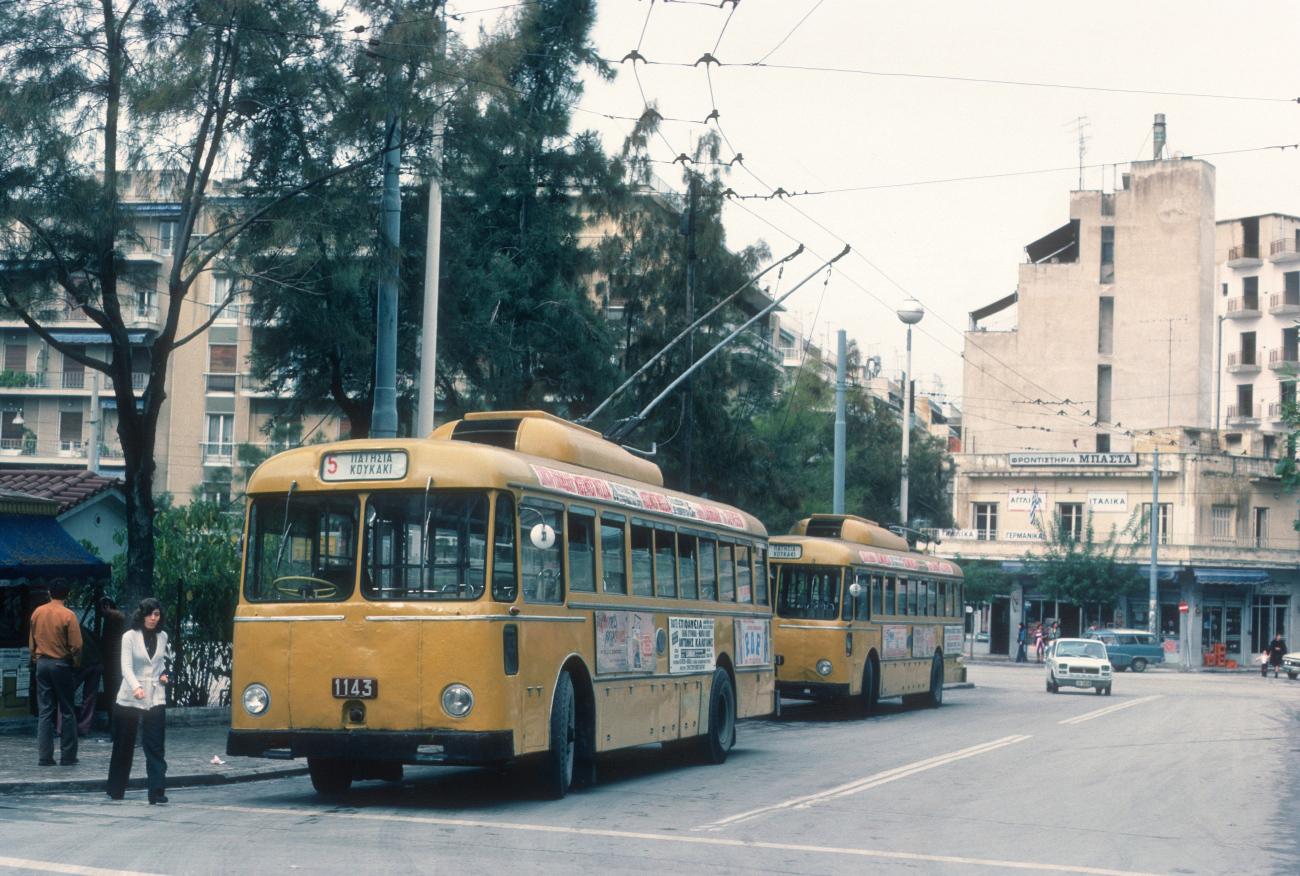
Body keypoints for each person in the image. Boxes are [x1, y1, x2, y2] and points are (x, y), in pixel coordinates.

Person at [106, 598, 170, 804]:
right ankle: (116, 790)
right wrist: (137, 687)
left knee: (155, 746)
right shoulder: (129, 637)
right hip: (130, 696)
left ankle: (157, 792)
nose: (153, 618)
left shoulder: (163, 636)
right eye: (149, 614)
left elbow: (160, 666)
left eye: (157, 614)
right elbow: (126, 667)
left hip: (155, 696)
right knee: (123, 744)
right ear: (141, 615)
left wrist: (165, 676)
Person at [29, 578, 82, 766]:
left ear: (49, 593)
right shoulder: (69, 615)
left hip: (42, 663)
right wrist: (75, 663)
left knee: (45, 711)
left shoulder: (37, 612)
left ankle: (45, 756)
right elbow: (76, 645)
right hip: (62, 664)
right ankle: (68, 755)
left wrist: (37, 659)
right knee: (67, 710)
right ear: (67, 594)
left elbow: (32, 641)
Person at [57, 620, 104, 738]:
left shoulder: (62, 629)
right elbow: (97, 638)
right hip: (97, 662)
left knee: (64, 694)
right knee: (90, 698)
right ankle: (83, 728)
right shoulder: (78, 626)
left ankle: (62, 729)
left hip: (83, 664)